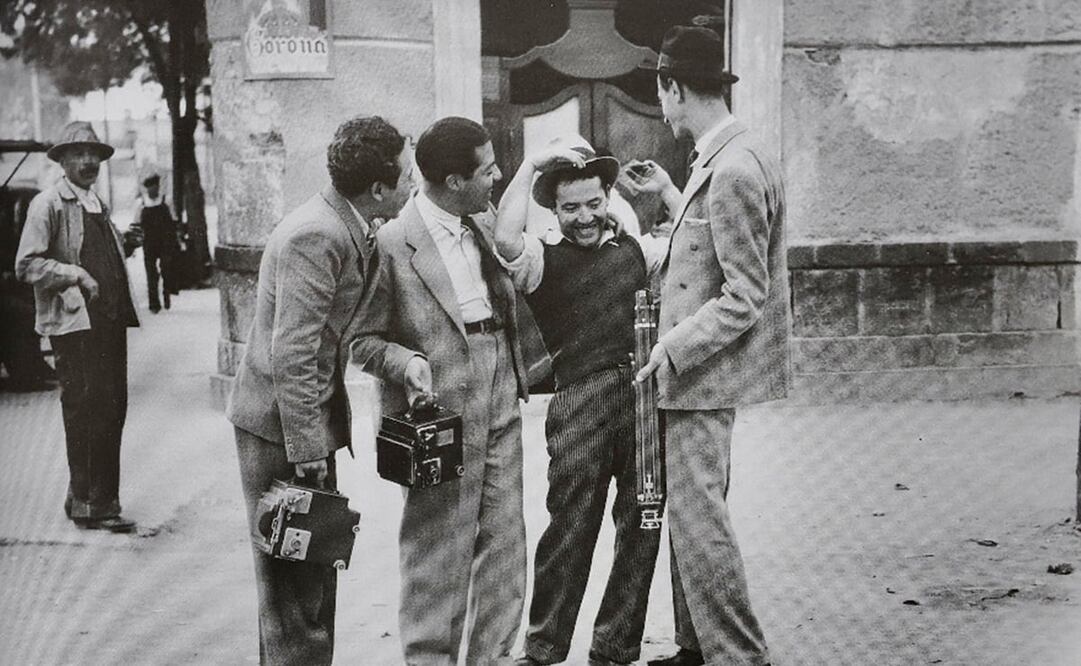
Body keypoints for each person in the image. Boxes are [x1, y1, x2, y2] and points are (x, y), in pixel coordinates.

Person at [226, 115, 414, 665]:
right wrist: (307, 450)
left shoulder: (346, 224)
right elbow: (294, 354)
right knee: (295, 592)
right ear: (377, 188)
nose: (410, 184)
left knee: (307, 581)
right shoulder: (319, 234)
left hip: (295, 426)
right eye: (405, 176)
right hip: (280, 432)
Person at [632, 26, 791, 666]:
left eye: (661, 93)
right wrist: (672, 200)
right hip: (700, 375)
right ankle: (695, 649)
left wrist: (671, 347)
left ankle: (739, 656)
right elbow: (708, 246)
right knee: (691, 521)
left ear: (672, 87)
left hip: (702, 375)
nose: (661, 107)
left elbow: (744, 294)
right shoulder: (727, 154)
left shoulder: (732, 169)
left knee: (701, 526)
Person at [352, 116, 530, 665]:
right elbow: (361, 341)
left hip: (497, 387)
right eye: (488, 169)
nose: (496, 176)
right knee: (438, 552)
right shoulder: (388, 243)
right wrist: (406, 363)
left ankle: (492, 659)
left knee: (505, 545)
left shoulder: (481, 218)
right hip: (434, 412)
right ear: (453, 181)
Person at [493, 137, 667, 666]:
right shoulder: (542, 261)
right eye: (571, 208)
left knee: (642, 523)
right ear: (554, 210)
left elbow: (693, 240)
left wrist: (667, 189)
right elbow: (504, 238)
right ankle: (544, 649)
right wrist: (531, 164)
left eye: (595, 203)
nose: (585, 217)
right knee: (570, 527)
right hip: (580, 403)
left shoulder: (639, 250)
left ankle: (615, 648)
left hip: (644, 400)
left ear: (609, 197)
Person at [15, 120, 140, 532]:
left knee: (111, 408)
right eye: (79, 154)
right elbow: (27, 264)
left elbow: (101, 254)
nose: (88, 161)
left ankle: (87, 496)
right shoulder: (47, 204)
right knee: (86, 410)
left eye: (94, 155)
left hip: (107, 323)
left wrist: (128, 244)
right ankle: (93, 504)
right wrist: (76, 275)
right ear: (63, 160)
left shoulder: (95, 203)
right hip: (75, 326)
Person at [132, 172, 178, 312]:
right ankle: (154, 304)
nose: (154, 190)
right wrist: (134, 243)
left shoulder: (166, 200)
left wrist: (177, 238)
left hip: (166, 241)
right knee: (151, 273)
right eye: (151, 188)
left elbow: (174, 220)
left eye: (156, 187)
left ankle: (166, 292)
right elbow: (136, 224)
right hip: (149, 242)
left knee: (167, 267)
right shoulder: (141, 204)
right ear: (147, 189)